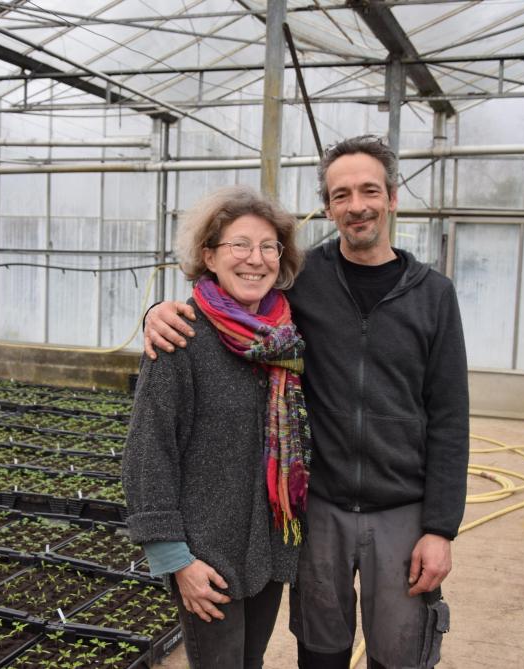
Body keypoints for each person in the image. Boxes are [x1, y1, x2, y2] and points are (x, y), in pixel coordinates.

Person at [143, 135, 470, 669]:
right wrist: (157, 311)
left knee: (400, 651)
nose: (356, 205)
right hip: (317, 511)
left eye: (369, 190)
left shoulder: (433, 294)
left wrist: (440, 528)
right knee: (320, 652)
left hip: (401, 511)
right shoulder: (303, 280)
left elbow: (451, 417)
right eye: (341, 194)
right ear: (327, 205)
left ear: (391, 196)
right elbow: (229, 299)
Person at [122, 185, 311, 669]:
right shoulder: (180, 336)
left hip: (268, 547)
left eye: (269, 246)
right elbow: (149, 452)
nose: (256, 259)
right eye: (240, 245)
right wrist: (176, 560)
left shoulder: (285, 338)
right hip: (207, 557)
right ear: (209, 254)